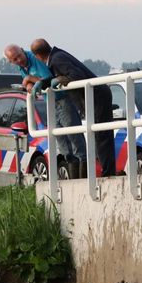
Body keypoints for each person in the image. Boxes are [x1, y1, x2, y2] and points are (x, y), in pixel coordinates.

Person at [30, 38, 117, 178]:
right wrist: (44, 82)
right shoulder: (57, 56)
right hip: (95, 96)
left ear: (37, 56)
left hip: (97, 97)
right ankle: (107, 172)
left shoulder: (57, 59)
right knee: (99, 135)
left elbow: (77, 76)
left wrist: (61, 79)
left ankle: (109, 174)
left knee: (102, 136)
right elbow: (64, 74)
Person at [3, 44, 86, 176]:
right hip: (50, 102)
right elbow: (32, 83)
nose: (19, 60)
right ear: (11, 61)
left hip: (63, 100)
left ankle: (83, 178)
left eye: (19, 56)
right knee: (63, 144)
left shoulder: (34, 58)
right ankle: (73, 179)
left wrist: (29, 79)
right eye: (14, 59)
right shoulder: (22, 67)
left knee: (75, 139)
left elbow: (48, 79)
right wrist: (29, 83)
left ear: (22, 50)